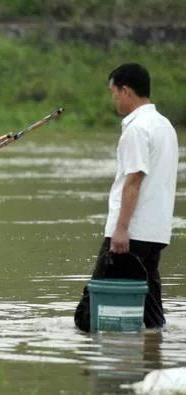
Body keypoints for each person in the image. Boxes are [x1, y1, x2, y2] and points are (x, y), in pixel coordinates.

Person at [74, 63, 179, 331]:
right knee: (151, 314)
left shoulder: (137, 129)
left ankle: (107, 365)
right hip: (155, 232)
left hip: (129, 234)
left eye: (114, 92)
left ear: (126, 90)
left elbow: (133, 182)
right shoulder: (164, 126)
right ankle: (153, 360)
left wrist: (121, 229)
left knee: (88, 315)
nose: (113, 99)